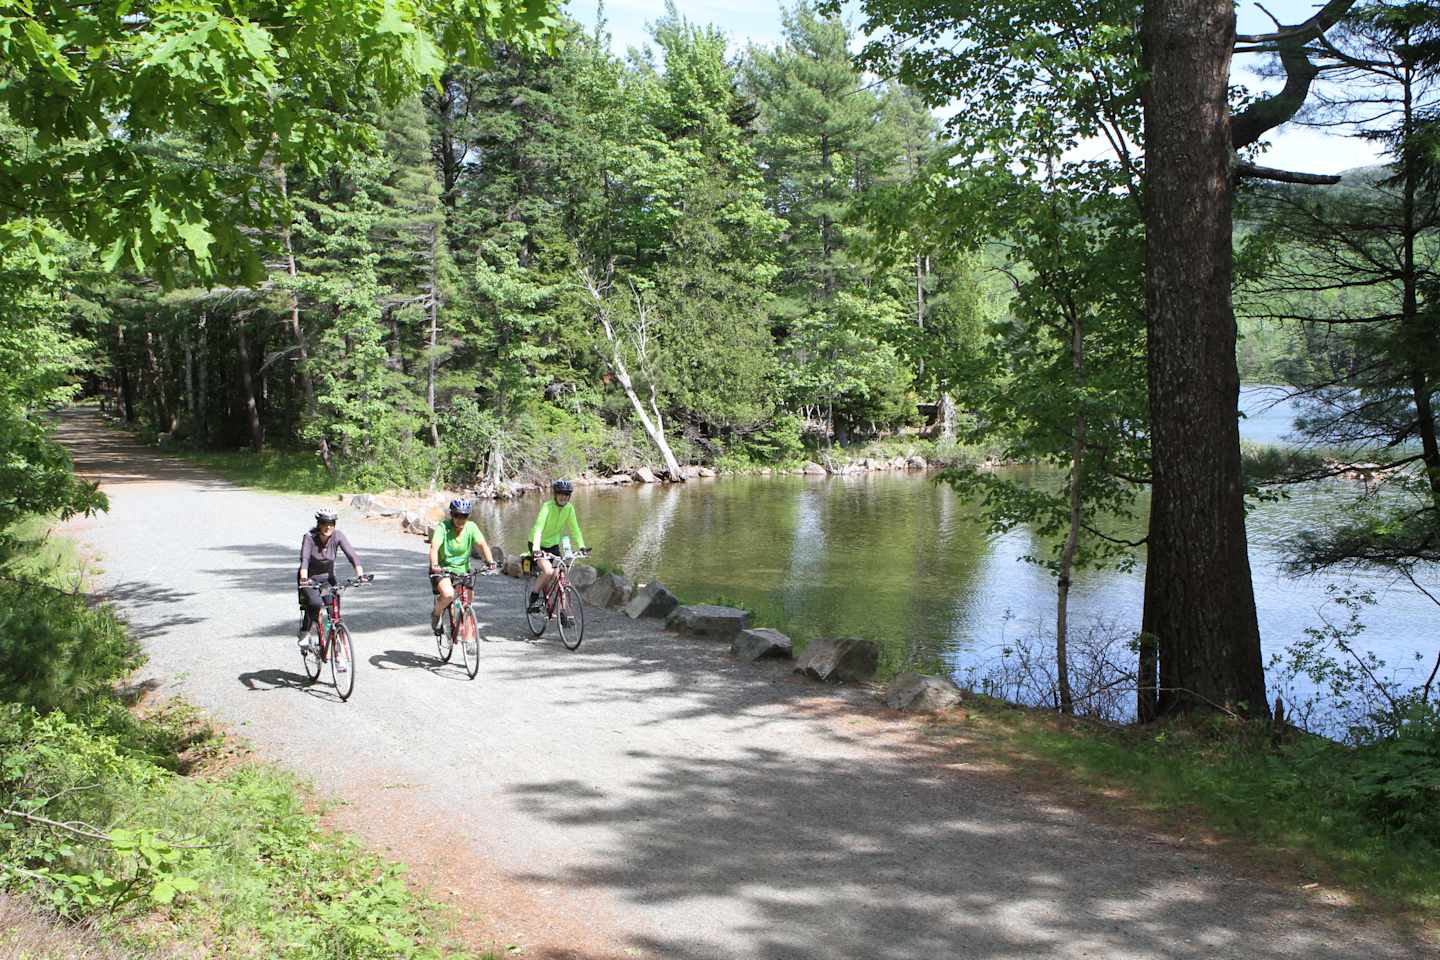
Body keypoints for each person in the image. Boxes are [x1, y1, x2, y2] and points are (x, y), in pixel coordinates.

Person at [428, 498, 497, 634]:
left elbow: (482, 545)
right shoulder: (443, 527)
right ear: (452, 514)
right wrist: (435, 565)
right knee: (448, 594)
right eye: (457, 515)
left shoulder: (471, 527)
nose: (460, 519)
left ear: (468, 516)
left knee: (468, 601)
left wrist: (490, 562)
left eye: (464, 516)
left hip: (463, 570)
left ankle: (469, 639)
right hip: (443, 569)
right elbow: (434, 547)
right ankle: (436, 613)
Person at [297, 507, 363, 646]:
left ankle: (332, 636)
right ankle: (305, 630)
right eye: (324, 523)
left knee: (334, 609)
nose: (328, 527)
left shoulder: (337, 535)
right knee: (315, 604)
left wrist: (360, 574)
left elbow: (351, 554)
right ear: (318, 523)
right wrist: (304, 579)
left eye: (331, 523)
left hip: (328, 579)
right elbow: (305, 559)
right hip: (310, 579)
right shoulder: (309, 537)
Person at [527, 479, 587, 614]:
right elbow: (538, 528)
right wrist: (536, 549)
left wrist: (581, 546)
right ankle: (534, 597)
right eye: (560, 494)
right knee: (548, 571)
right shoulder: (547, 507)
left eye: (566, 495)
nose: (563, 497)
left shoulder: (569, 508)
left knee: (560, 576)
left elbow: (575, 529)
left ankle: (563, 613)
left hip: (553, 545)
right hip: (537, 544)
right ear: (555, 494)